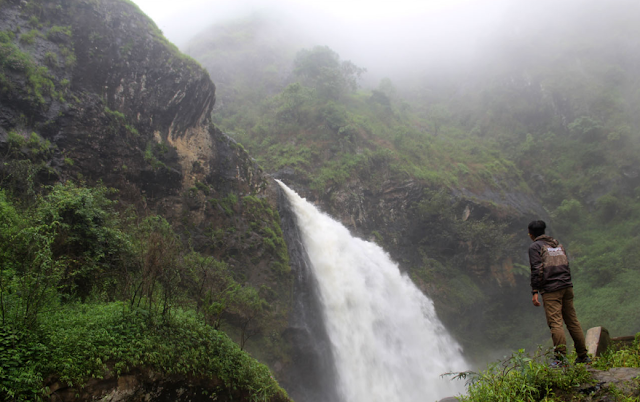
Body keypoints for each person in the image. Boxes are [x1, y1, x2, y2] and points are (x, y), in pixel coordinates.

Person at [527, 220, 591, 366]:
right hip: (567, 286)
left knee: (555, 323)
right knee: (572, 321)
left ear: (530, 234)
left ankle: (561, 359)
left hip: (551, 289)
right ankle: (583, 356)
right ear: (543, 230)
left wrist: (535, 291)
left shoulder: (535, 247)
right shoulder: (555, 244)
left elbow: (536, 269)